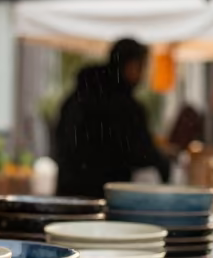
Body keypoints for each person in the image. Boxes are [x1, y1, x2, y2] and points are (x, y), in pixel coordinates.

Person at [54, 38, 170, 198]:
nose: (142, 75)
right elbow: (142, 153)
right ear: (130, 65)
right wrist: (165, 165)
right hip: (105, 197)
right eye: (142, 67)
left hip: (68, 193)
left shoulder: (75, 98)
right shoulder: (124, 107)